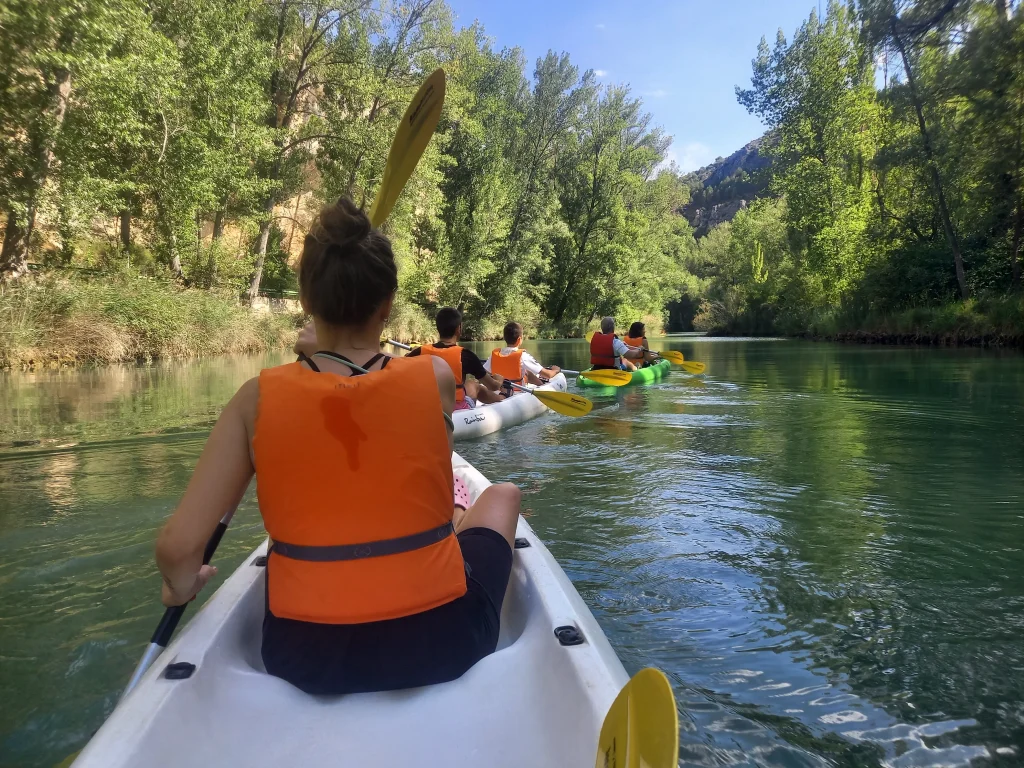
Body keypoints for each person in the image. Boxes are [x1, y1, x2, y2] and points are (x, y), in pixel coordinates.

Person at [155, 198, 521, 695]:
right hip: (440, 642)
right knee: (503, 495)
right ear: (388, 303)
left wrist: (182, 585)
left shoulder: (256, 398)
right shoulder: (435, 377)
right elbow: (367, 382)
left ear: (305, 300)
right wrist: (323, 355)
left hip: (303, 656)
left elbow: (178, 549)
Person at [404, 307, 504, 409]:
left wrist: (413, 353)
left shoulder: (420, 351)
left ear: (438, 328)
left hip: (428, 406)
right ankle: (502, 398)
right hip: (454, 409)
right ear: (458, 329)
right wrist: (499, 380)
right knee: (475, 386)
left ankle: (501, 398)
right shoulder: (466, 355)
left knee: (470, 383)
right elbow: (492, 386)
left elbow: (401, 364)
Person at [484, 321, 561, 389]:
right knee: (525, 372)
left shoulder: (494, 355)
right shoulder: (523, 356)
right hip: (516, 393)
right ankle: (541, 386)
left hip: (498, 391)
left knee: (526, 372)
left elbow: (485, 372)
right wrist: (556, 370)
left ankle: (540, 385)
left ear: (504, 338)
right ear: (519, 339)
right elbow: (548, 375)